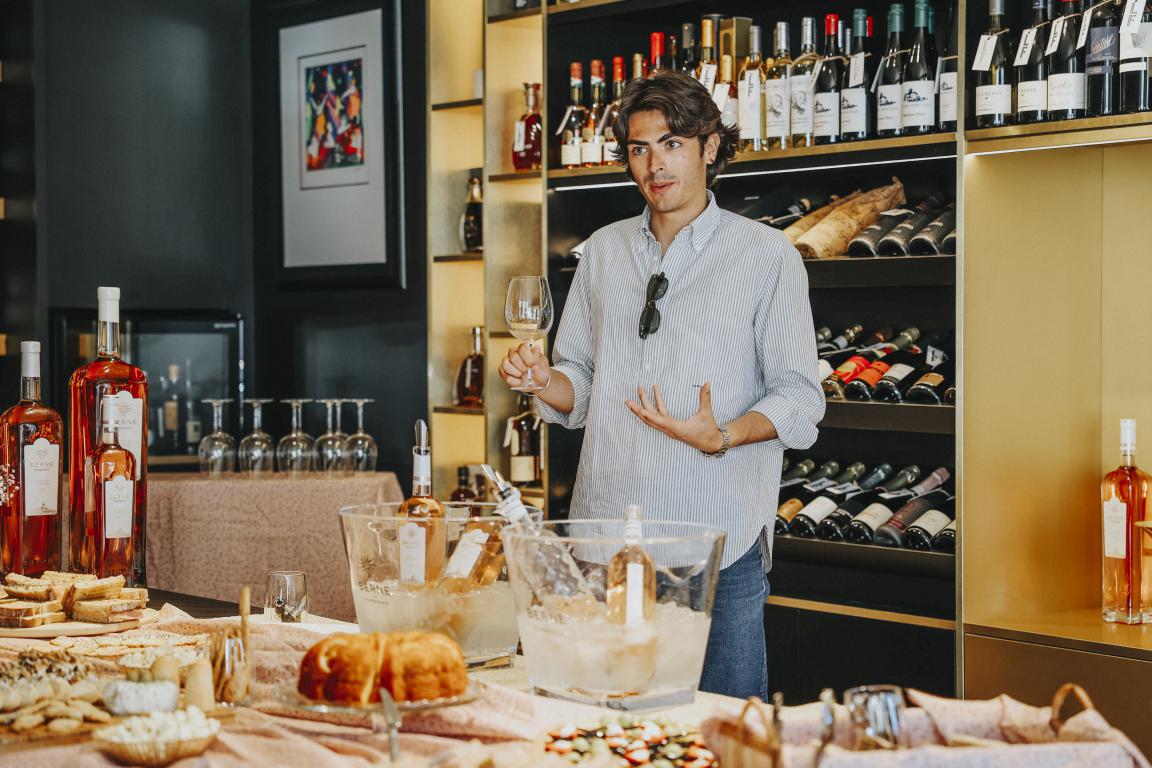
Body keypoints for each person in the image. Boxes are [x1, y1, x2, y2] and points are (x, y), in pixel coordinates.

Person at [498, 70, 824, 699]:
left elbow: (800, 395)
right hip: (604, 542)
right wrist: (543, 379)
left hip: (714, 547)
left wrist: (722, 434)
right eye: (639, 148)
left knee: (723, 736)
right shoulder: (601, 252)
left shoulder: (766, 255)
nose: (655, 163)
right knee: (600, 726)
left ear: (710, 148)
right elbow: (581, 383)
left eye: (672, 143)